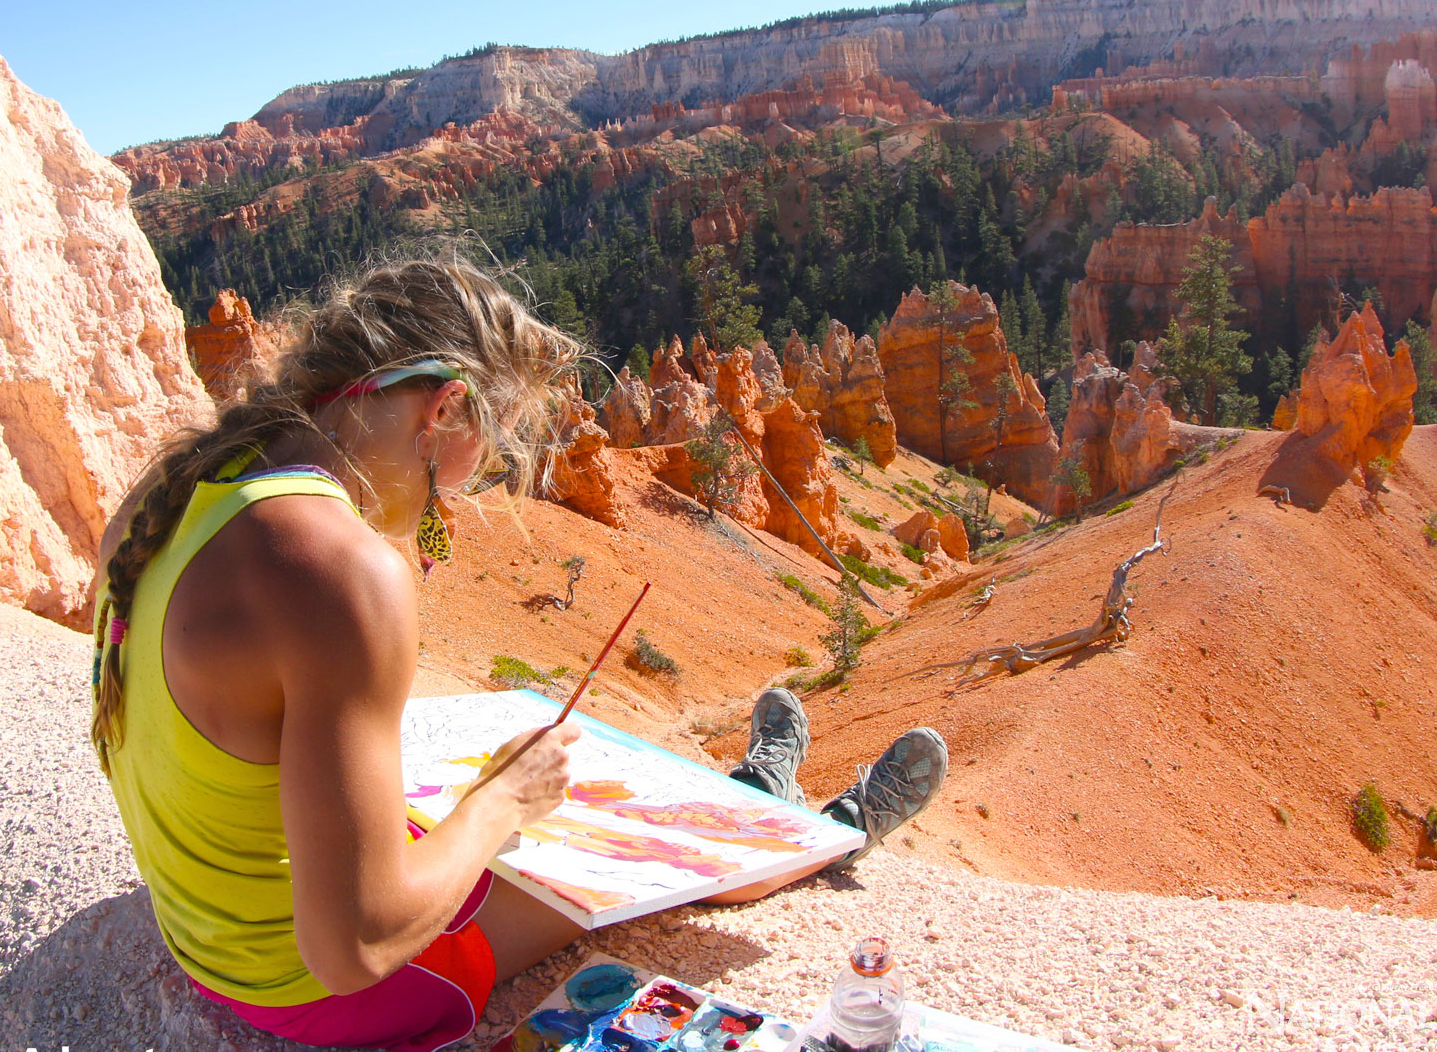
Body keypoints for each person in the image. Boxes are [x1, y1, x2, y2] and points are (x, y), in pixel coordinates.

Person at [88, 253, 946, 1052]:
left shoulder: (175, 496)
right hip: (308, 986)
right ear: (445, 408)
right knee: (629, 859)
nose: (470, 485)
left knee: (497, 820)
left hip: (207, 932)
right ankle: (813, 828)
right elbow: (354, 945)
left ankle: (765, 793)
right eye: (487, 454)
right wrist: (503, 801)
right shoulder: (337, 569)